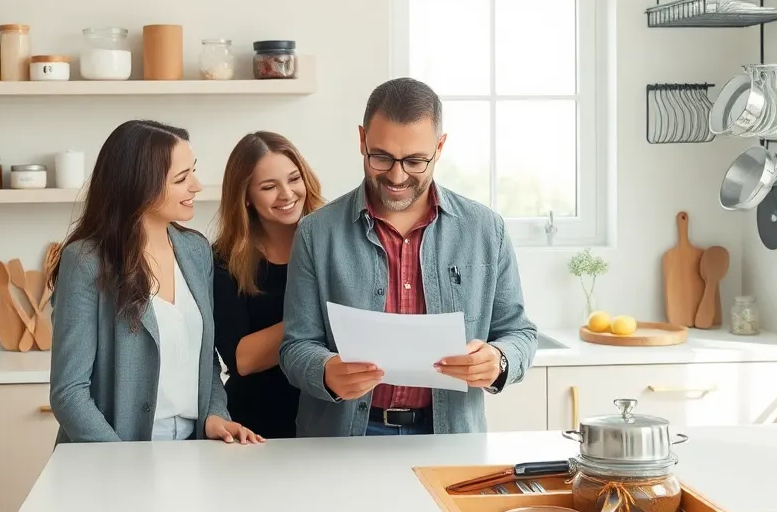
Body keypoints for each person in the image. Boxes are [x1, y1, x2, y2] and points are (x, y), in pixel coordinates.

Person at [279, 78, 538, 436]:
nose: (397, 176)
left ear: (440, 146)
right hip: (344, 439)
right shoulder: (315, 233)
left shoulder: (485, 229)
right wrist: (324, 371)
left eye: (415, 161)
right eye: (381, 157)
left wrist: (499, 360)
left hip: (449, 437)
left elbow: (519, 332)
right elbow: (296, 347)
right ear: (361, 140)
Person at [49, 119, 262, 445]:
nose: (196, 186)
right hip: (112, 461)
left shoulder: (196, 250)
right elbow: (69, 393)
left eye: (193, 171)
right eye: (181, 178)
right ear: (140, 186)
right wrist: (124, 461)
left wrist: (215, 417)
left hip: (192, 453)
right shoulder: (86, 261)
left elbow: (207, 364)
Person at [212, 132, 326, 438]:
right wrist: (319, 318)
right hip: (255, 427)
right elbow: (243, 360)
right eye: (269, 187)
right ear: (245, 196)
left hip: (329, 418)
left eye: (293, 179)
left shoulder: (333, 241)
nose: (287, 194)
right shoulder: (223, 261)